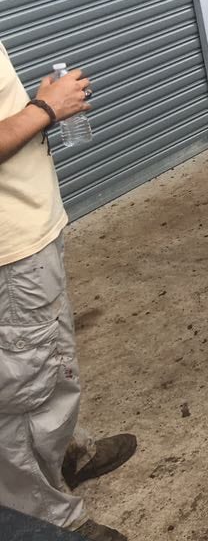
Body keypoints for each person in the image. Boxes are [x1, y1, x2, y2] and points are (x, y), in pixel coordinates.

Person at [0, 43, 137, 541]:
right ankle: (48, 520)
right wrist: (45, 109)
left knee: (49, 362)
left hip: (29, 233)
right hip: (8, 252)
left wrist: (32, 108)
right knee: (19, 395)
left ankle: (66, 455)